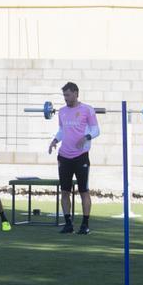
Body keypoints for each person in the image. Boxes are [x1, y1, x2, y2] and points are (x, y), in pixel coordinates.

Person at [47, 82, 100, 235]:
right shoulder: (62, 112)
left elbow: (96, 130)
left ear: (76, 93)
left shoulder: (87, 110)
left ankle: (85, 224)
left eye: (68, 95)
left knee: (84, 191)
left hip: (81, 157)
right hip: (64, 157)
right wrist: (54, 141)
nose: (66, 98)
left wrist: (86, 137)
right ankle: (68, 223)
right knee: (65, 191)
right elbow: (62, 130)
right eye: (64, 95)